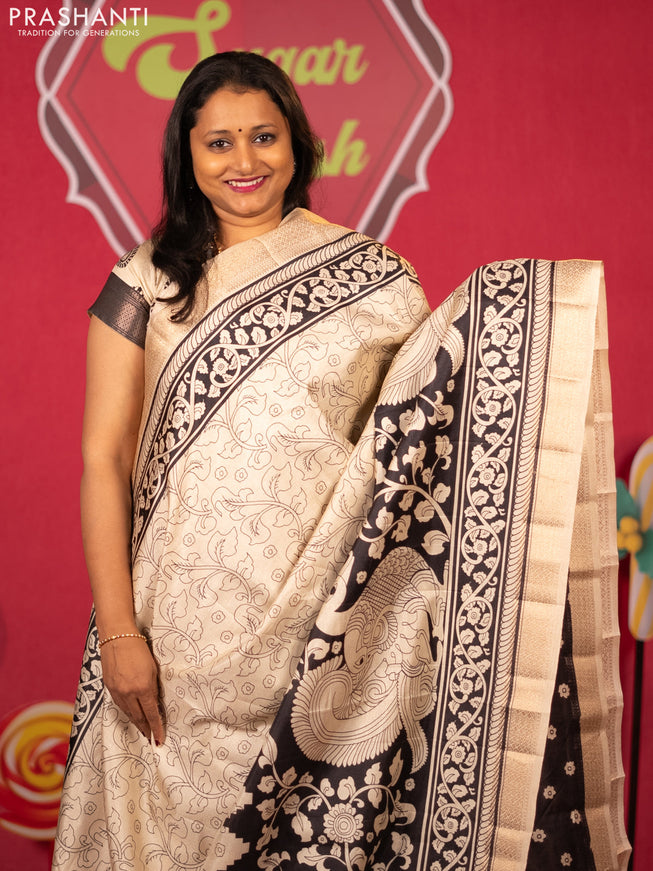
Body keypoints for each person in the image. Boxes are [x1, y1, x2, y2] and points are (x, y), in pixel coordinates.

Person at [54, 51, 628, 871]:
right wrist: (118, 632)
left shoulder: (372, 276)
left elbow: (435, 430)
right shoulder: (144, 282)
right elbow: (101, 458)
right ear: (185, 154)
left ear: (298, 145)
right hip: (169, 634)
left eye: (264, 137)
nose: (244, 162)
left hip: (321, 633)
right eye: (218, 143)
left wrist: (521, 318)